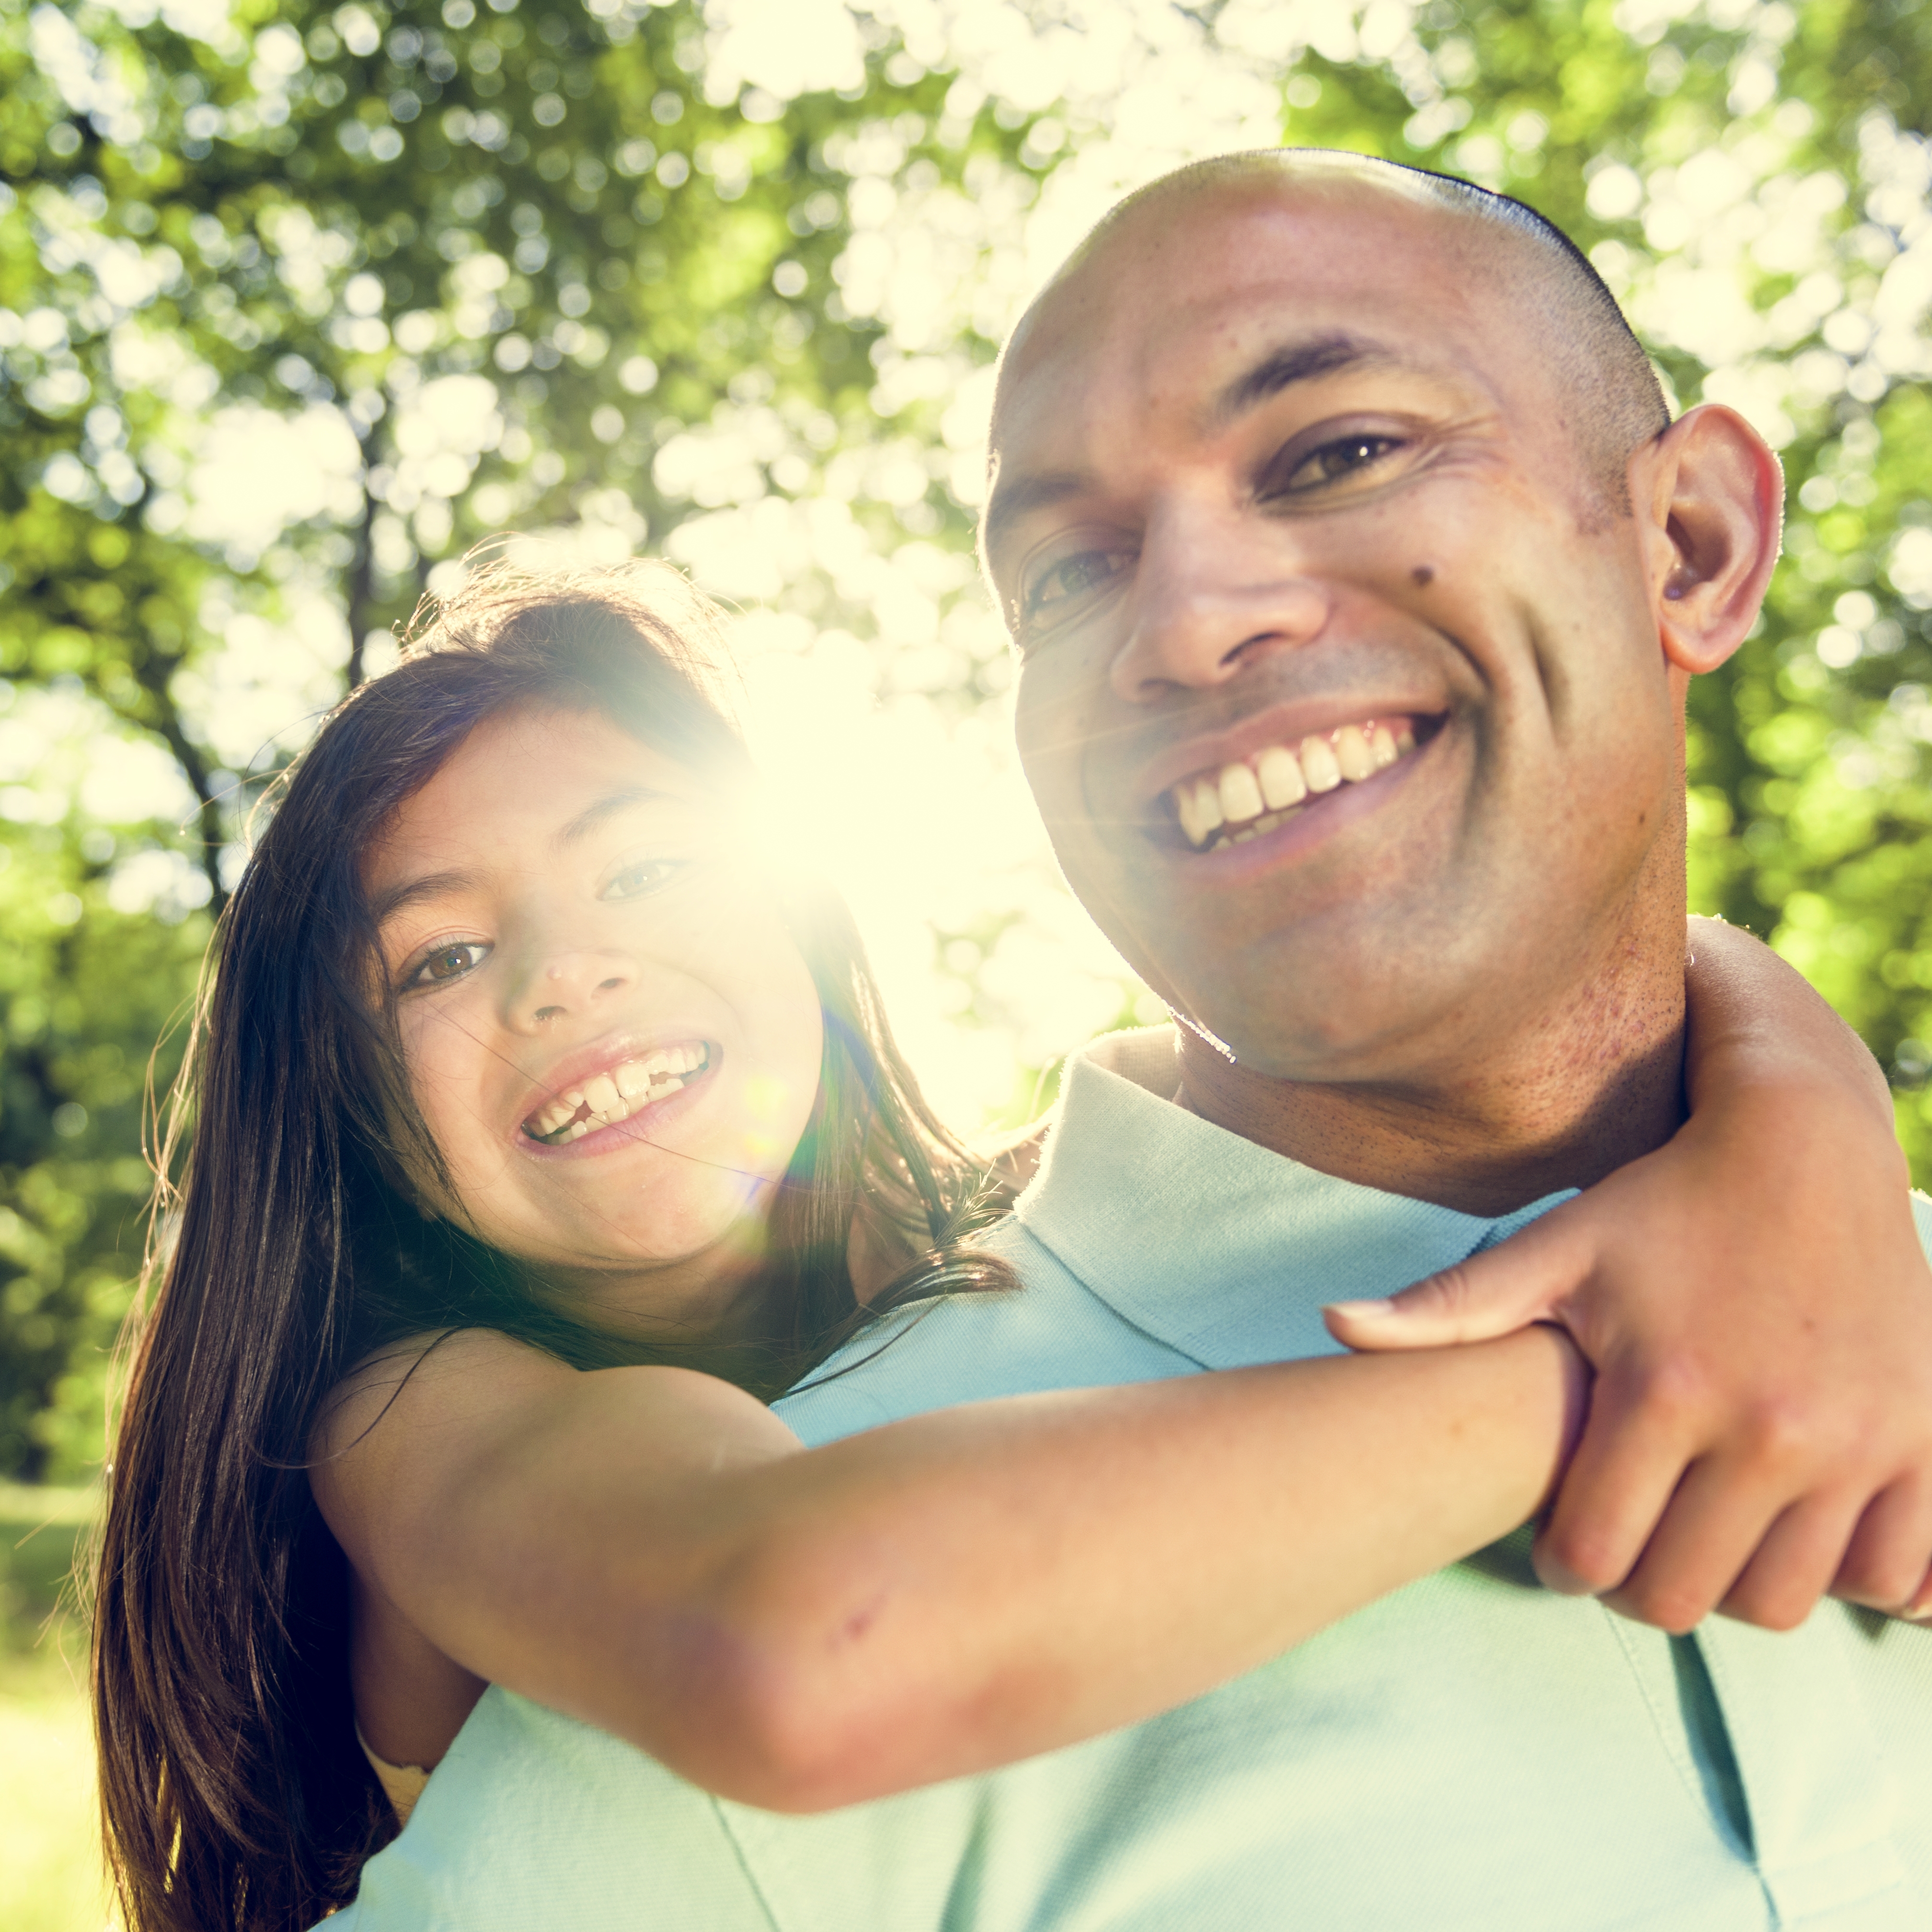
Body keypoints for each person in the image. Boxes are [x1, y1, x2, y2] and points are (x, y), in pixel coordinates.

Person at [315, 153, 1932, 1931]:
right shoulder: (602, 1590)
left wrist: (1798, 1121)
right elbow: (794, 1638)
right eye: (1072, 571)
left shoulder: (1851, 1264)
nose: (1188, 619)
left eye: (1338, 453)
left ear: (1690, 544)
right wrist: (1637, 1377)